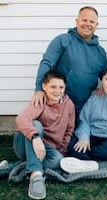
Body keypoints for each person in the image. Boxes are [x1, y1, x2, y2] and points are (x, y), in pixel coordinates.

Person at [31, 6, 107, 124]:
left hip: (85, 109)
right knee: (55, 138)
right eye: (84, 20)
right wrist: (39, 89)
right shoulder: (62, 40)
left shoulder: (100, 52)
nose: (88, 24)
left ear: (96, 25)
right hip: (59, 104)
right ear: (77, 21)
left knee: (78, 140)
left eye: (91, 21)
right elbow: (47, 63)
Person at [13, 69, 75, 199]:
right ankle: (36, 176)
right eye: (53, 86)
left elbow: (69, 130)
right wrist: (35, 138)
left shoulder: (69, 105)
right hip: (26, 143)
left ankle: (16, 166)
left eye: (61, 87)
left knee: (58, 160)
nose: (57, 91)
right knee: (36, 125)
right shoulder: (40, 101)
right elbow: (21, 119)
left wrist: (62, 150)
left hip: (47, 149)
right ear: (44, 87)